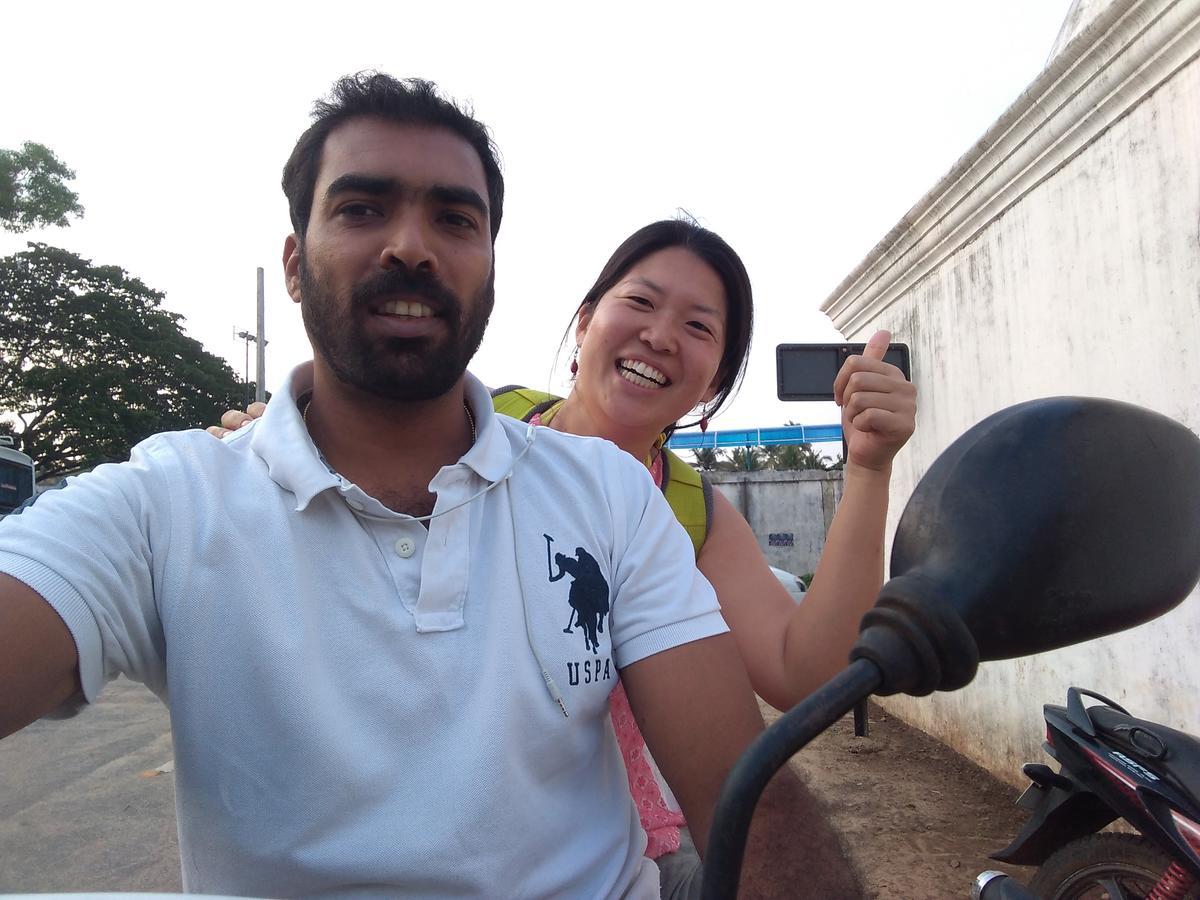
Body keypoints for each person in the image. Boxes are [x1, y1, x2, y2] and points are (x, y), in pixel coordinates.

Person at [0, 73, 863, 898]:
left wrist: (870, 463)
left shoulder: (628, 497)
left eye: (454, 219)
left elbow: (748, 781)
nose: (409, 245)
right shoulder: (164, 504)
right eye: (362, 207)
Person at [214, 221, 916, 893]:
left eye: (699, 327)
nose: (661, 335)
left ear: (713, 382)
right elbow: (341, 455)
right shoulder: (478, 422)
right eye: (639, 301)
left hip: (612, 853)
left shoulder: (692, 511)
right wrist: (279, 439)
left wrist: (868, 470)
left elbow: (807, 673)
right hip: (395, 828)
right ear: (584, 324)